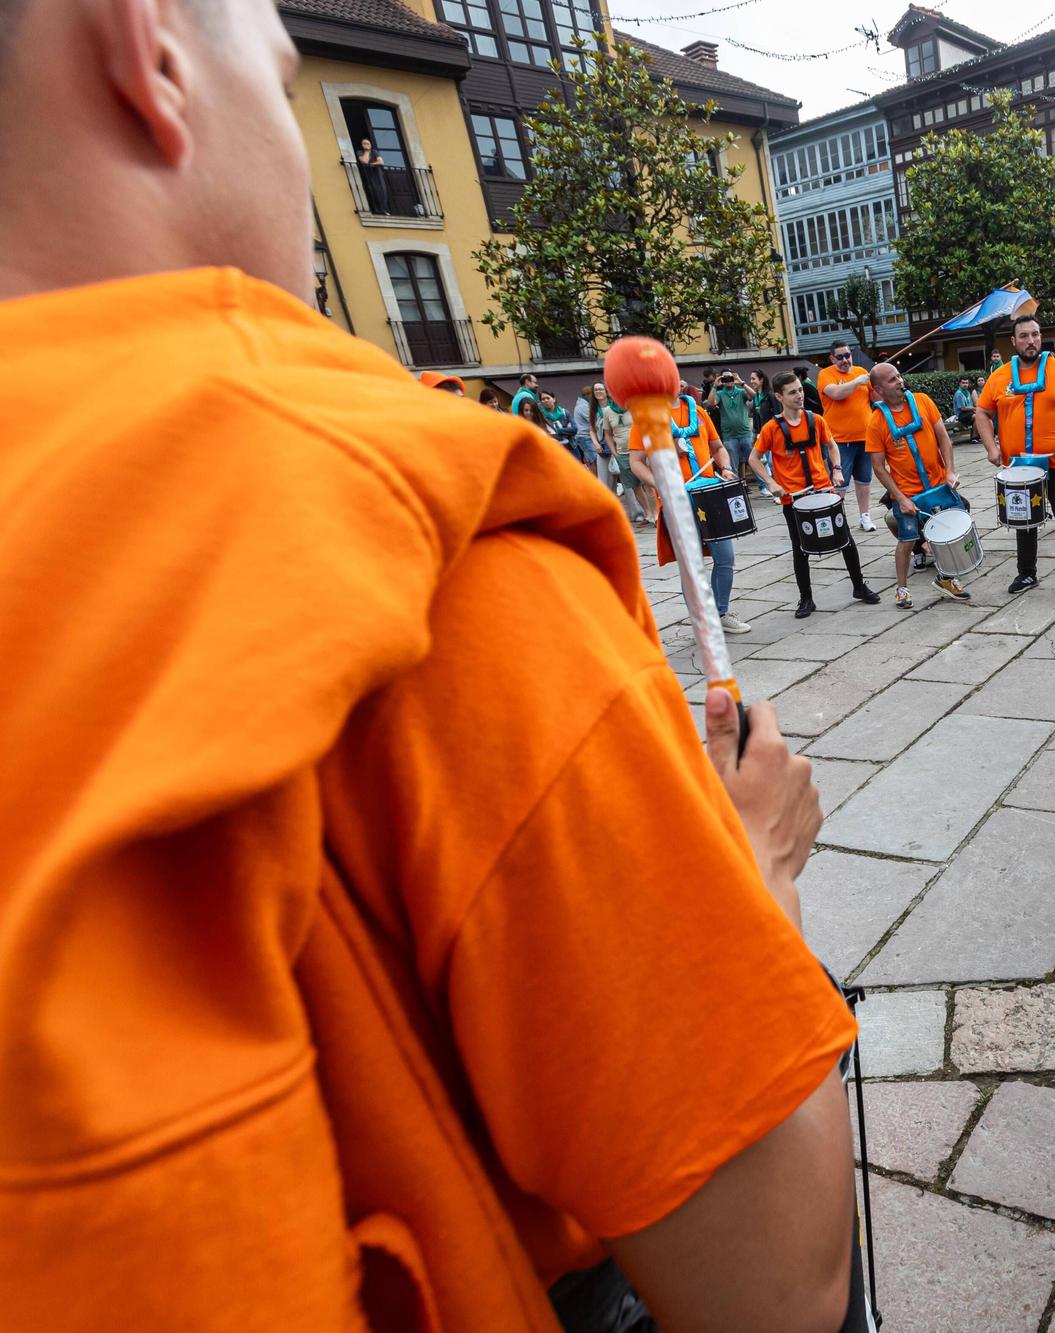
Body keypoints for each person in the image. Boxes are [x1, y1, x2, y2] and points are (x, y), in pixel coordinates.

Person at [0, 2, 866, 1330]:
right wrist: (755, 876)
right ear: (149, 46)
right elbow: (782, 1286)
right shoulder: (427, 572)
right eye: (284, 83)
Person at [975, 314, 1055, 595]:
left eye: (1035, 334)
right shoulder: (1000, 376)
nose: (1031, 341)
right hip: (1019, 466)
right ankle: (1026, 574)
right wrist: (991, 447)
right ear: (1013, 341)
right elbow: (982, 413)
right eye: (1024, 336)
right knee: (1023, 519)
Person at [750, 373, 880, 617]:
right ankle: (806, 599)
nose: (799, 395)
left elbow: (831, 446)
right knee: (800, 548)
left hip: (823, 490)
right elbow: (753, 459)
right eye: (792, 392)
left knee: (846, 541)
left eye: (800, 390)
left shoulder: (816, 420)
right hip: (794, 498)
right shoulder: (771, 429)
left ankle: (859, 586)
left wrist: (837, 470)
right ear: (779, 396)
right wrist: (771, 482)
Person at [636, 388, 749, 637]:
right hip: (677, 498)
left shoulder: (697, 411)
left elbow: (717, 447)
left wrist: (727, 467)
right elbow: (636, 461)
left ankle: (720, 612)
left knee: (725, 557)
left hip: (709, 492)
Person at [865, 362, 971, 610]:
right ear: (878, 389)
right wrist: (899, 498)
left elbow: (943, 437)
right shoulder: (876, 421)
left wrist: (950, 471)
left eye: (899, 375)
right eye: (892, 380)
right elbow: (878, 467)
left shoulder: (922, 401)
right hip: (908, 494)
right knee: (907, 539)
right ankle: (901, 589)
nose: (900, 381)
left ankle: (946, 578)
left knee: (950, 532)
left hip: (938, 485)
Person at [815, 343, 874, 533]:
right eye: (840, 357)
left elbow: (875, 397)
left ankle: (865, 516)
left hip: (866, 438)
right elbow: (836, 393)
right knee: (840, 483)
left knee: (864, 481)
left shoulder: (861, 371)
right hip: (839, 441)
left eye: (847, 355)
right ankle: (836, 519)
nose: (845, 360)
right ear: (832, 358)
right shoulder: (826, 374)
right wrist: (857, 382)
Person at [595, 388, 651, 530]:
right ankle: (648, 514)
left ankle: (657, 513)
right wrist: (614, 452)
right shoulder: (607, 411)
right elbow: (607, 434)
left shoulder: (634, 406)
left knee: (648, 483)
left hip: (639, 450)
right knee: (634, 485)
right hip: (622, 453)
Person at [704, 367, 758, 497]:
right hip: (729, 436)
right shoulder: (720, 393)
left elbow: (755, 397)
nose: (728, 380)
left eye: (730, 377)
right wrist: (715, 387)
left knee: (754, 461)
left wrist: (741, 382)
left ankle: (765, 487)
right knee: (732, 466)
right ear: (721, 380)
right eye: (725, 378)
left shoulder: (740, 391)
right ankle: (736, 491)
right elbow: (710, 404)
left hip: (745, 433)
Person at [354, 134, 389, 214]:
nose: (366, 145)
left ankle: (383, 209)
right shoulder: (360, 152)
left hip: (377, 175)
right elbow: (364, 161)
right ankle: (376, 210)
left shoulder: (375, 152)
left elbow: (381, 162)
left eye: (368, 144)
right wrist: (366, 151)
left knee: (382, 191)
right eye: (364, 143)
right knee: (372, 191)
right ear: (362, 145)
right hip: (368, 175)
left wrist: (371, 164)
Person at [571, 382, 599, 468]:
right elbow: (594, 420)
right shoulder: (583, 406)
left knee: (590, 460)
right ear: (588, 395)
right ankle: (595, 480)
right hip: (585, 437)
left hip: (585, 437)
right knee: (595, 461)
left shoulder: (582, 404)